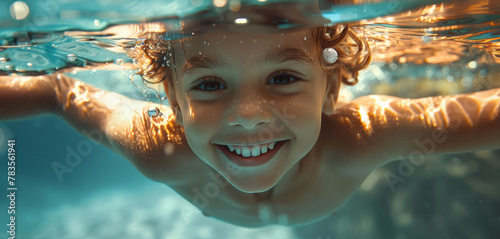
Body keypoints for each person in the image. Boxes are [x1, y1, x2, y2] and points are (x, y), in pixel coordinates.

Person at [1, 24, 499, 228]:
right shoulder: (159, 148)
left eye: (283, 77)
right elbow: (57, 91)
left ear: (331, 89)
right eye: (210, 84)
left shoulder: (360, 137)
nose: (249, 115)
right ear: (172, 98)